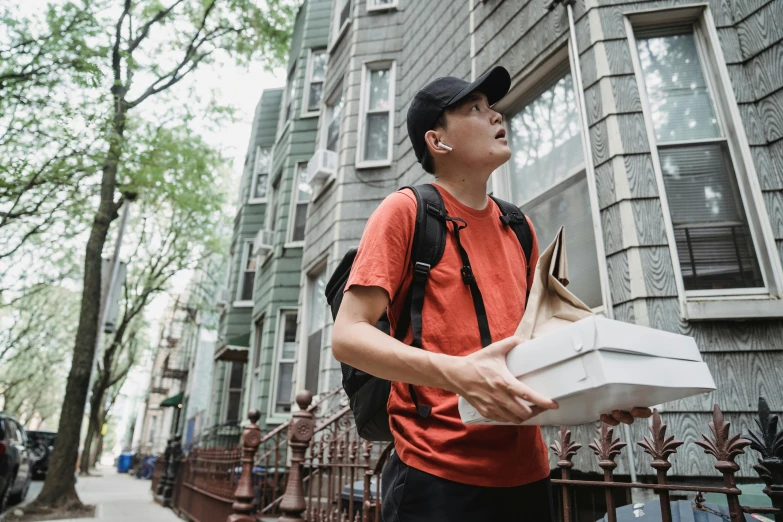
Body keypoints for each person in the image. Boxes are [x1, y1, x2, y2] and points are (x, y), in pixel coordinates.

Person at [331, 65, 650, 522]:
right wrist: (461, 374)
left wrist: (596, 392)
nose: (496, 114)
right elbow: (349, 335)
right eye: (476, 109)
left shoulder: (518, 227)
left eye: (492, 106)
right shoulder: (405, 212)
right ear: (438, 142)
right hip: (435, 475)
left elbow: (534, 346)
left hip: (527, 474)